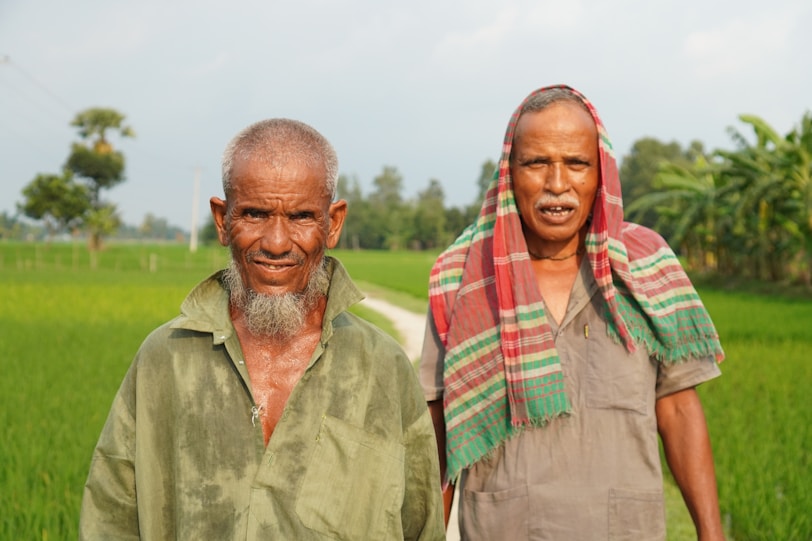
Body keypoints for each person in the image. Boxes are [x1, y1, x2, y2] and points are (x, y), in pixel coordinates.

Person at [80, 118, 445, 540]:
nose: (275, 242)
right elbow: (110, 520)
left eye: (300, 217)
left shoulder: (383, 368)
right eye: (254, 214)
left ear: (334, 223)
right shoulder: (165, 359)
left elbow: (421, 527)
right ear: (222, 220)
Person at [420, 85, 726, 540]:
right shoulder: (464, 277)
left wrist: (712, 534)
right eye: (537, 163)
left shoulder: (645, 267)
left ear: (601, 174)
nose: (557, 184)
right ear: (509, 174)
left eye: (576, 164)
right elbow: (441, 427)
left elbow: (679, 409)